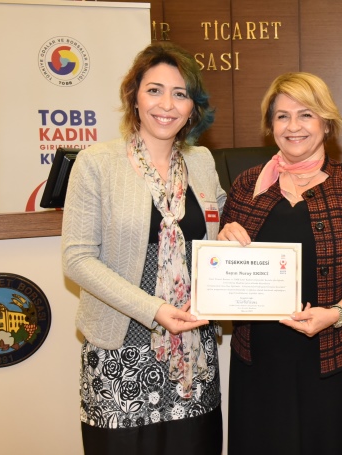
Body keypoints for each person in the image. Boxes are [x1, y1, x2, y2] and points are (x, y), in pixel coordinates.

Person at [218, 72, 342, 455]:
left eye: (306, 115)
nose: (293, 126)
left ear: (326, 123)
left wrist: (336, 313)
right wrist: (222, 245)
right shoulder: (246, 186)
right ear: (270, 126)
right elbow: (221, 274)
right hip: (260, 362)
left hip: (334, 359)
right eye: (282, 116)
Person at [62, 42, 225, 455]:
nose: (166, 105)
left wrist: (232, 230)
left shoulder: (202, 162)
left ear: (192, 107)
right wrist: (153, 309)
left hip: (192, 352)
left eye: (180, 93)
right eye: (154, 90)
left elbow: (216, 230)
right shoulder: (97, 163)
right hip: (119, 349)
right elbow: (77, 259)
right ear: (134, 97)